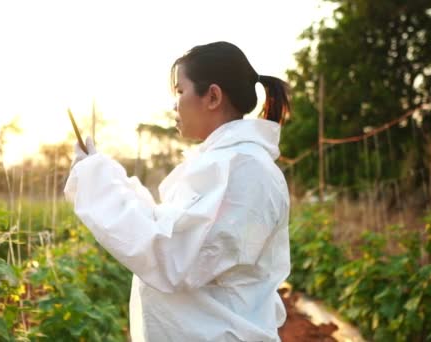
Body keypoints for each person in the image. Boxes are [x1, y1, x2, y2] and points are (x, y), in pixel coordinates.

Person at [65, 41, 291, 342]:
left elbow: (171, 256)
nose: (174, 105)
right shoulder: (225, 162)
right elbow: (164, 225)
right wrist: (103, 173)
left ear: (212, 96)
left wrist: (97, 182)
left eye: (180, 92)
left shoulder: (243, 169)